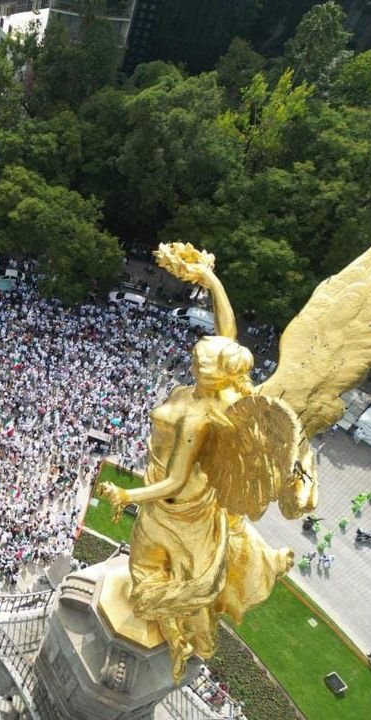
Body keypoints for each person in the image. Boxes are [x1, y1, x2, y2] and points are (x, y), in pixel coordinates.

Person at [99, 248, 293, 680]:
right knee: (167, 575)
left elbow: (173, 480)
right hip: (181, 502)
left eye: (201, 354)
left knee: (151, 575)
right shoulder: (218, 392)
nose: (196, 350)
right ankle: (182, 635)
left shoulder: (198, 417)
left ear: (210, 370)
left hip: (174, 506)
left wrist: (127, 493)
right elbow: (231, 335)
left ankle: (183, 638)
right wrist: (210, 280)